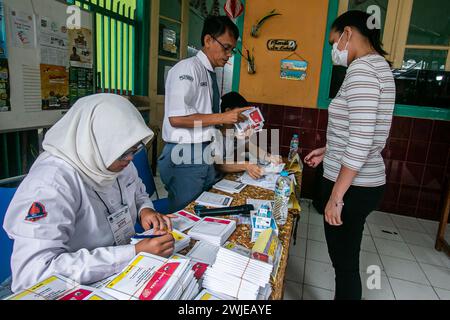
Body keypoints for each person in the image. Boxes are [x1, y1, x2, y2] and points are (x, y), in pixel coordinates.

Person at [3, 94, 175, 292]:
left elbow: (138, 191)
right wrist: (133, 253)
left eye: (134, 150)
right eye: (123, 153)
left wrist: (145, 210)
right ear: (94, 144)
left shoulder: (116, 160)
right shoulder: (51, 183)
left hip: (114, 263)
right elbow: (33, 275)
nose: (129, 159)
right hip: (63, 284)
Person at [304, 11, 395, 300]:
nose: (335, 50)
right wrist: (328, 149)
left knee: (344, 266)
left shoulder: (361, 71)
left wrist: (336, 197)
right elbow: (363, 129)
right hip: (364, 183)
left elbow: (360, 140)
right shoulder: (380, 68)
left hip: (352, 187)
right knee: (347, 258)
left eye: (334, 41)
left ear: (348, 33)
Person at [158, 16, 251, 213]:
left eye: (232, 50)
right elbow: (176, 119)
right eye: (225, 47)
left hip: (204, 153)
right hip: (185, 154)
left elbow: (206, 118)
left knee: (203, 212)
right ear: (208, 40)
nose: (228, 55)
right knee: (186, 216)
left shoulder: (209, 73)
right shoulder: (188, 68)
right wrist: (223, 117)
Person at [213, 91, 282, 180]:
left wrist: (270, 157)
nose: (244, 118)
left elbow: (250, 146)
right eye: (242, 114)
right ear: (228, 111)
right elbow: (219, 165)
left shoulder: (236, 129)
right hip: (214, 180)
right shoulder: (215, 132)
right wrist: (246, 166)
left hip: (227, 177)